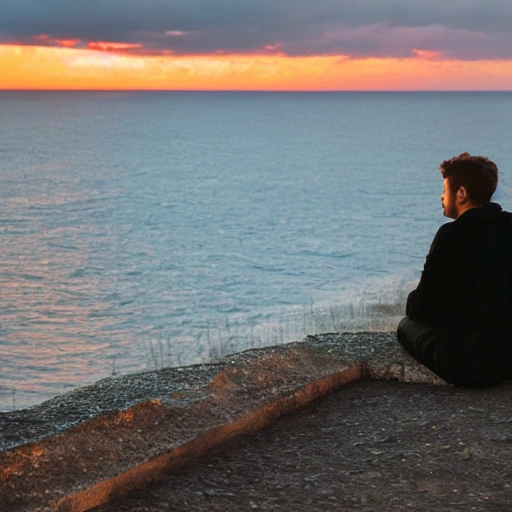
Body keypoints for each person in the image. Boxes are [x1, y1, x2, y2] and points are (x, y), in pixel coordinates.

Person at [397, 152, 512, 387]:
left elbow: (421, 308)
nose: (441, 196)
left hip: (468, 365)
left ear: (461, 193)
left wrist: (413, 301)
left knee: (405, 325)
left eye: (445, 189)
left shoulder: (450, 235)